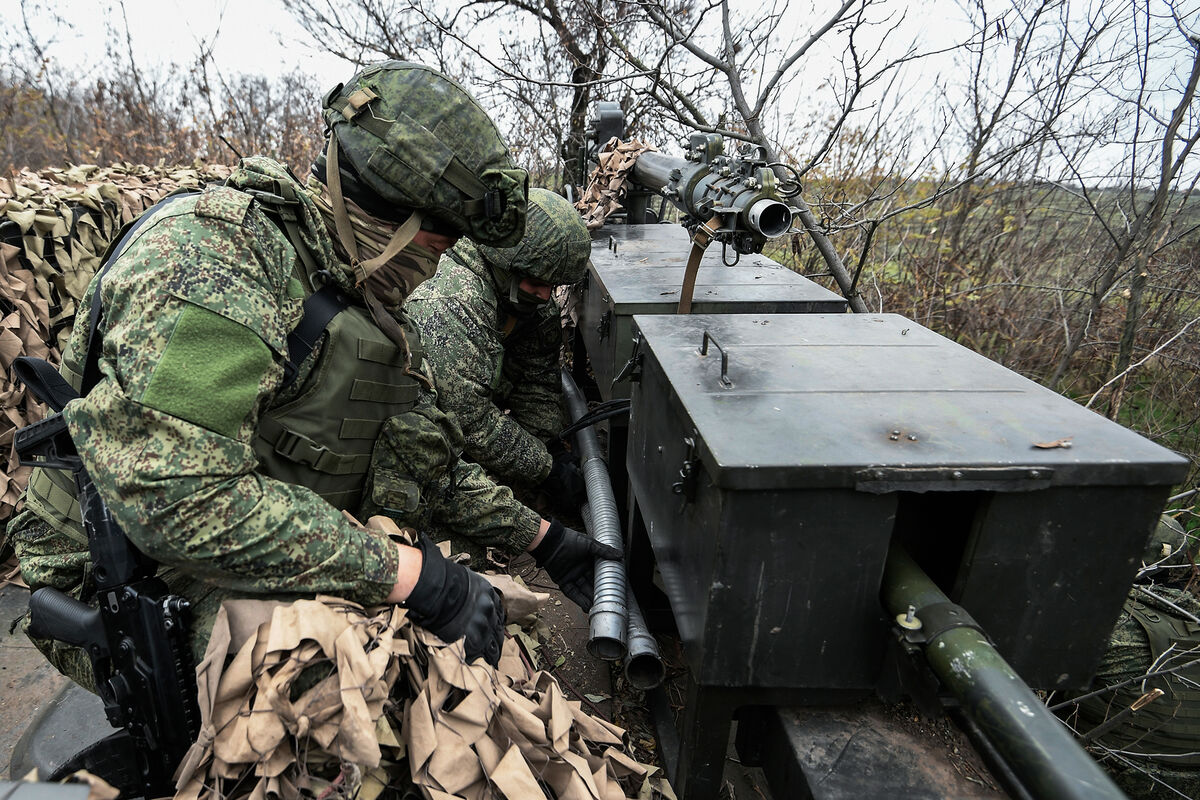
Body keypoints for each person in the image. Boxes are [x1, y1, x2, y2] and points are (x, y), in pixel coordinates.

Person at [6, 62, 617, 691]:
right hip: (125, 576)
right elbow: (179, 499)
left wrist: (543, 539)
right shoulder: (213, 258)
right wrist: (405, 574)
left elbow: (424, 456)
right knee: (352, 695)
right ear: (395, 224)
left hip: (238, 536)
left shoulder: (360, 297)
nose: (434, 276)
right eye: (435, 251)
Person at [406, 188, 589, 516]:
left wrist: (547, 446)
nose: (547, 295)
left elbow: (538, 383)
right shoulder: (451, 300)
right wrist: (544, 469)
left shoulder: (527, 298)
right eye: (538, 281)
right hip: (420, 431)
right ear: (507, 263)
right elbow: (469, 420)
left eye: (554, 284)